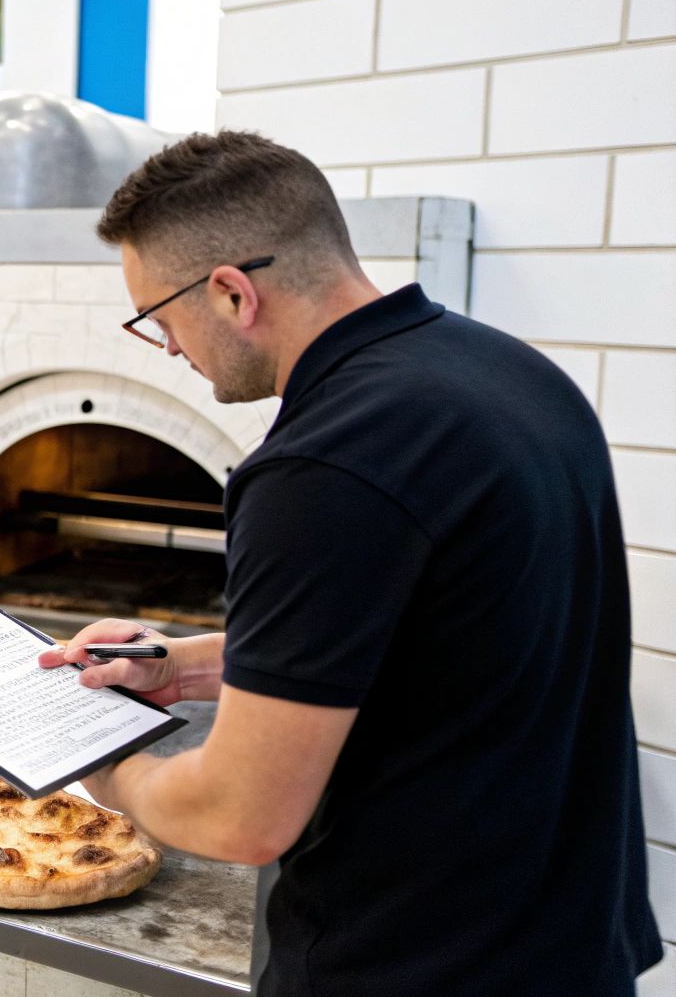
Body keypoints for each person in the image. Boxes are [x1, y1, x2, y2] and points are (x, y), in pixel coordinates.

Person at [40, 130, 661, 995]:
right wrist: (184, 668)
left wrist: (108, 767)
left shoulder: (323, 464)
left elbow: (240, 819)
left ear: (229, 294)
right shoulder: (510, 374)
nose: (171, 349)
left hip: (418, 962)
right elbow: (447, 637)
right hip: (568, 945)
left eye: (159, 319)